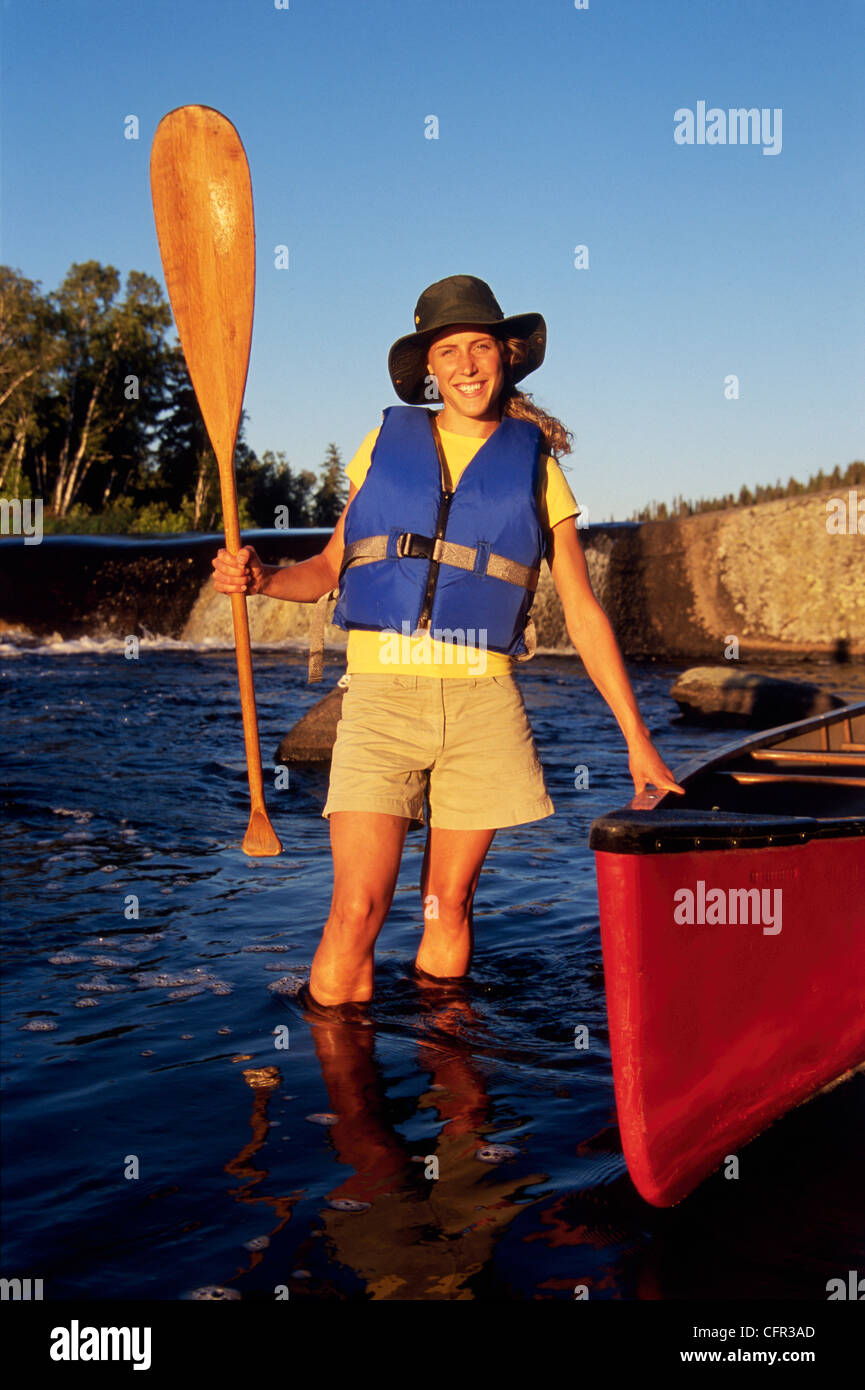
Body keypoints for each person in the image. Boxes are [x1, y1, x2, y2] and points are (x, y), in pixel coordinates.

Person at [212, 275, 684, 1008]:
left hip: (483, 704)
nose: (466, 364)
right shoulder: (384, 444)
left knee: (449, 908)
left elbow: (585, 613)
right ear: (427, 370)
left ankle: (450, 1089)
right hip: (380, 701)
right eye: (448, 351)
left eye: (480, 347)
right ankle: (346, 1105)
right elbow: (329, 569)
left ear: (506, 357)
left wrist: (636, 738)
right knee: (356, 912)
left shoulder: (535, 466)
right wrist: (262, 578)